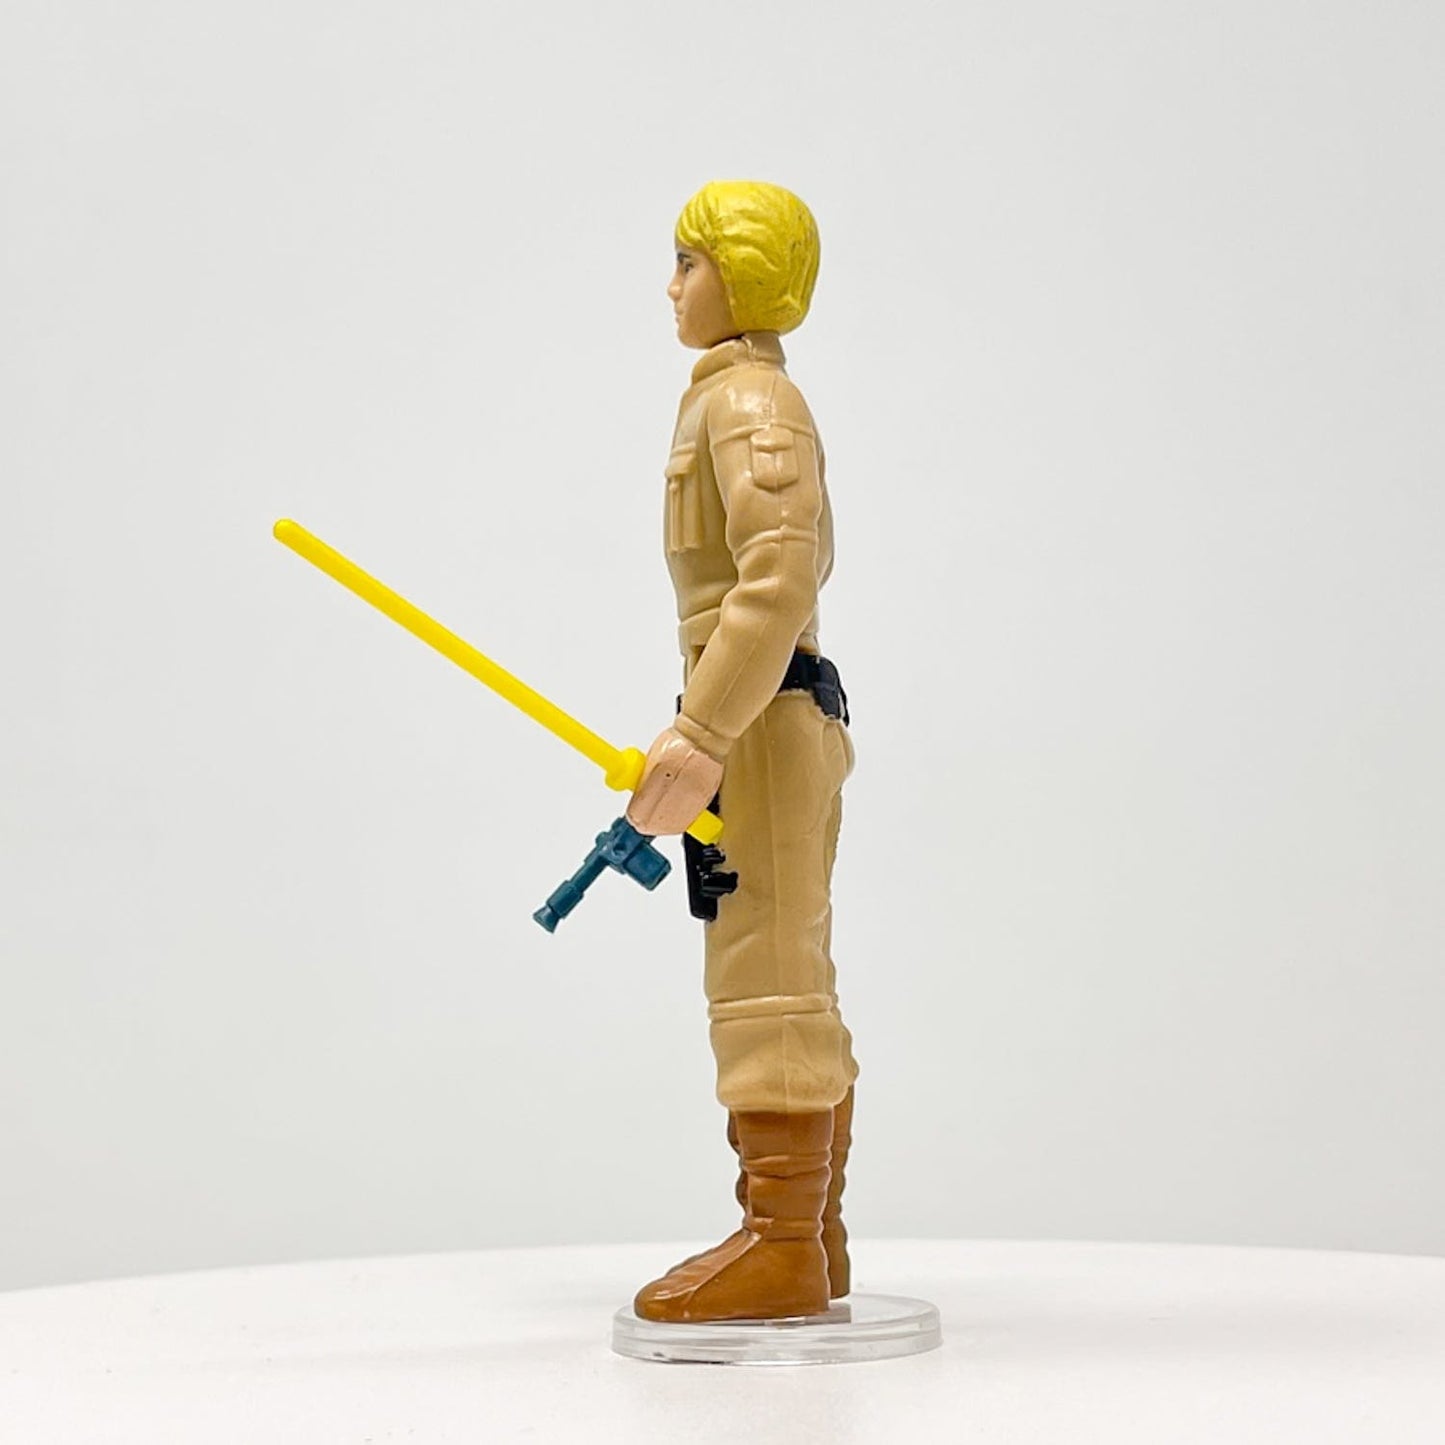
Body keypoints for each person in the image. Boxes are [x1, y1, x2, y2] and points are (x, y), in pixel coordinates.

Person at [624, 180, 859, 1323]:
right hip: (749, 715)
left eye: (688, 261)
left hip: (758, 721)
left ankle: (782, 1242)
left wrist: (703, 731)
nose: (670, 284)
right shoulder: (727, 397)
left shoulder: (753, 403)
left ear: (740, 272)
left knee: (765, 974)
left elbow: (777, 579)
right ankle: (807, 1231)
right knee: (776, 961)